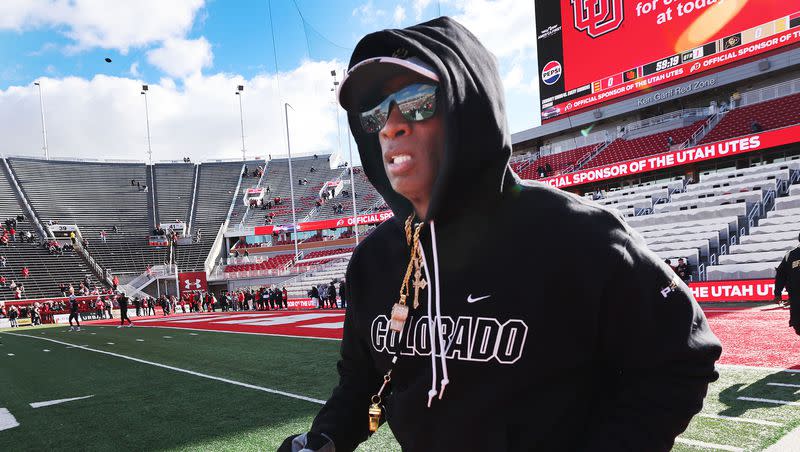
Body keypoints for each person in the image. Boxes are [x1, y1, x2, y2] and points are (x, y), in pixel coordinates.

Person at [280, 17, 721, 452]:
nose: (391, 125)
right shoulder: (374, 261)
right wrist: (325, 439)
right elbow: (363, 381)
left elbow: (682, 359)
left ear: (469, 107)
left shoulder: (578, 236)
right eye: (376, 113)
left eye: (417, 101)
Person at [774, 233, 800, 335]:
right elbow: (781, 275)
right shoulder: (790, 255)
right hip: (796, 299)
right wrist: (777, 293)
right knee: (798, 326)